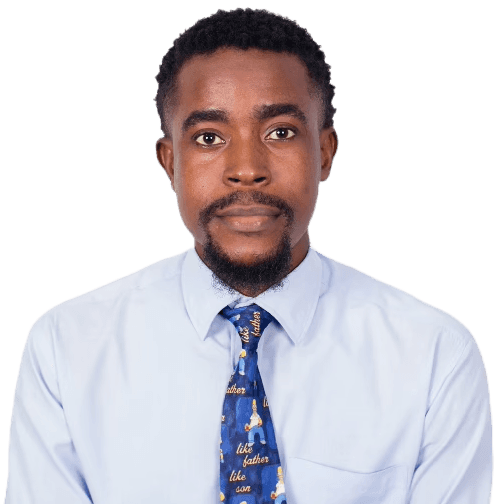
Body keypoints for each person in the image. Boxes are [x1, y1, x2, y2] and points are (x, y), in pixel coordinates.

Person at [4, 7, 493, 504]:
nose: (246, 169)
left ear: (325, 153)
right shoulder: (67, 349)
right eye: (209, 138)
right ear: (170, 163)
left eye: (280, 132)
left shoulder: (433, 356)